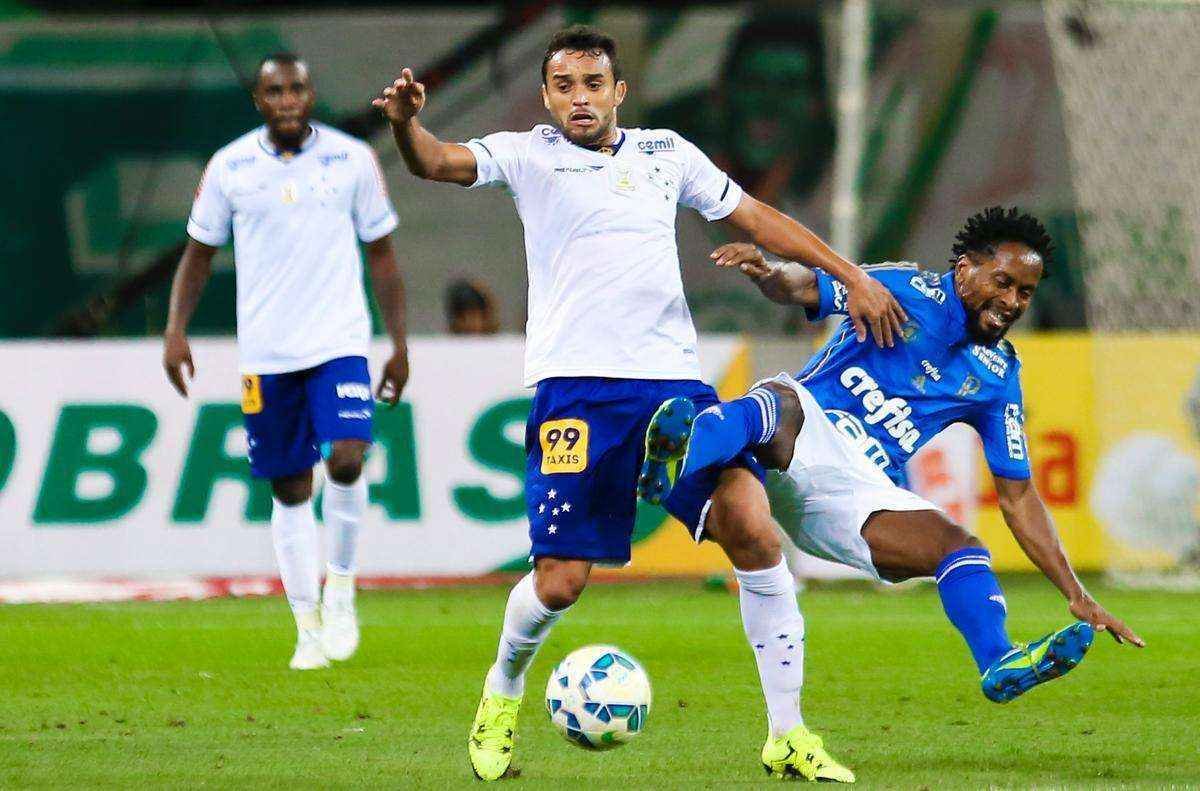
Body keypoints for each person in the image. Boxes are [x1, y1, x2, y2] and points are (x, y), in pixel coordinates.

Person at [372, 24, 905, 782]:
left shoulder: (667, 154)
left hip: (672, 388)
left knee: (754, 531)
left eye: (594, 84)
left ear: (619, 91)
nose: (579, 98)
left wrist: (849, 275)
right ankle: (503, 688)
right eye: (564, 85)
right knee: (560, 582)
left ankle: (787, 732)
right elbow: (438, 161)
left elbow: (754, 215)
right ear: (547, 95)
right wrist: (404, 124)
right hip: (578, 396)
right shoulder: (528, 155)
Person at [639, 207, 1145, 776]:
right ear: (964, 269)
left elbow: (1019, 496)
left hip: (855, 487)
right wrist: (766, 272)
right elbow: (805, 285)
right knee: (775, 402)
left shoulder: (998, 374)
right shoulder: (903, 288)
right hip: (801, 427)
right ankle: (676, 457)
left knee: (959, 549)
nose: (1013, 301)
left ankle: (1000, 660)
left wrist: (1074, 593)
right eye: (1002, 282)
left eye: (1026, 292)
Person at [163, 53, 409, 671]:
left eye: (297, 88)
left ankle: (343, 590)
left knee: (348, 459)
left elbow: (380, 253)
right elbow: (198, 254)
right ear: (259, 100)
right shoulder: (231, 166)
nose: (288, 100)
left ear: (311, 92)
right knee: (290, 486)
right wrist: (175, 330)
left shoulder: (352, 158)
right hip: (268, 351)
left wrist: (399, 343)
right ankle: (306, 623)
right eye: (275, 91)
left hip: (339, 343)